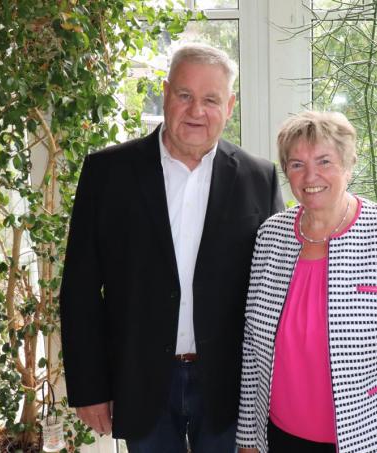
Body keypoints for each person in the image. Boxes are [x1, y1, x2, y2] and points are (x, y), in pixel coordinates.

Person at [59, 43, 283, 453]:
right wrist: (89, 387)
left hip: (228, 387)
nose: (197, 111)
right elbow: (80, 289)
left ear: (230, 106)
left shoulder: (259, 178)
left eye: (211, 99)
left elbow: (277, 291)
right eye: (184, 95)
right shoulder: (107, 173)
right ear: (165, 93)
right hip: (141, 380)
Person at [235, 111, 377, 453]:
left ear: (348, 164)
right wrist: (248, 438)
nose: (310, 175)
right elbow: (253, 349)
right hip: (281, 436)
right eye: (297, 164)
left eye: (324, 161)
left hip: (372, 437)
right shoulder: (270, 236)